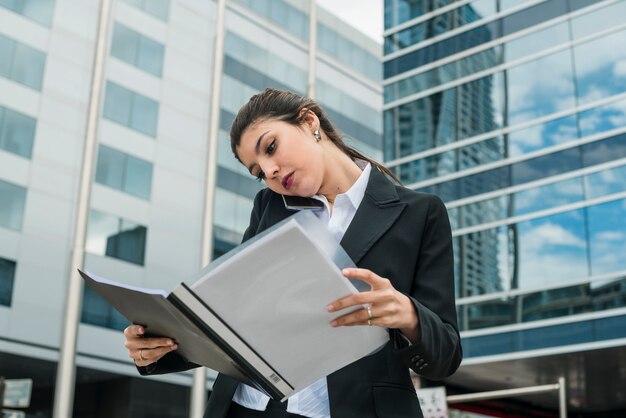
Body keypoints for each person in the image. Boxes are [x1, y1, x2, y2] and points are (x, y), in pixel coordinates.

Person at [123, 88, 462, 418]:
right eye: (258, 172)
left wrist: (409, 316)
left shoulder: (420, 214)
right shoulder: (269, 206)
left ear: (308, 121)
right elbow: (233, 316)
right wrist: (157, 349)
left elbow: (446, 355)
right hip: (250, 407)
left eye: (270, 147)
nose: (268, 171)